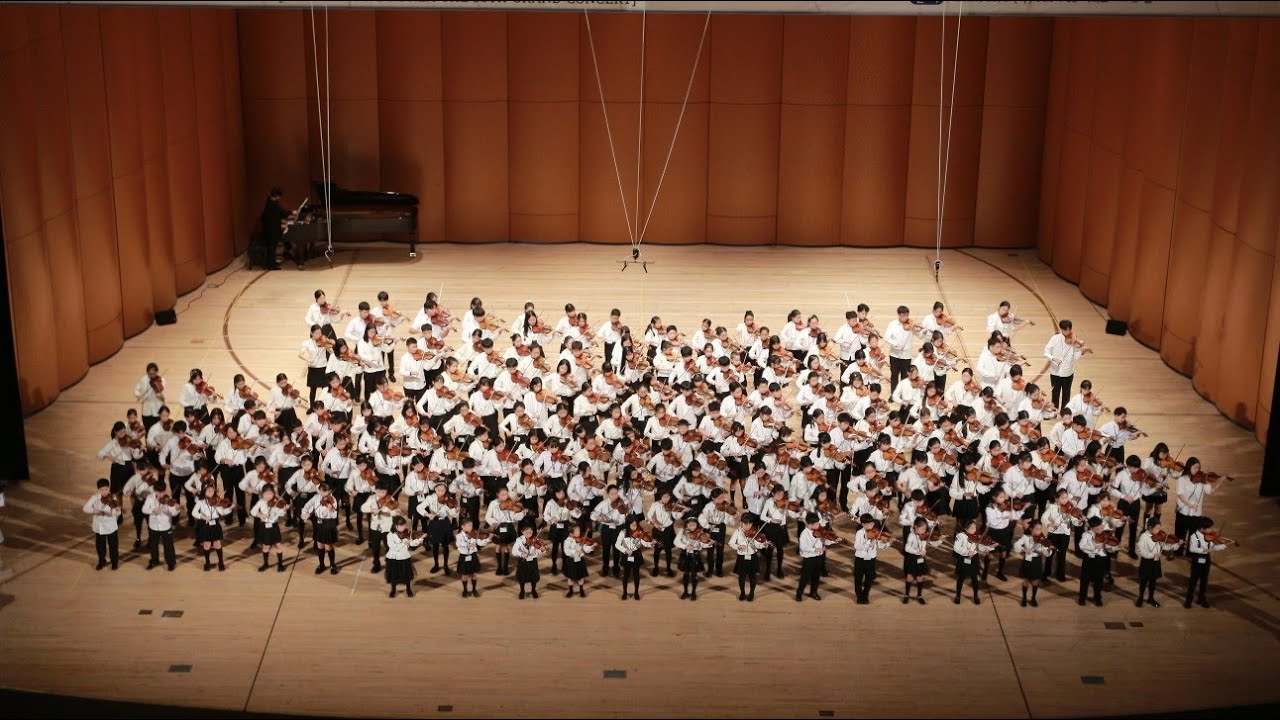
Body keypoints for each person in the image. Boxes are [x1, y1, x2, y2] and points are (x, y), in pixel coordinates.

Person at [1185, 517, 1231, 609]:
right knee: (1193, 581)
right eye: (1209, 528)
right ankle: (1188, 600)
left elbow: (1213, 547)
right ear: (1202, 528)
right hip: (1197, 560)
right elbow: (1192, 549)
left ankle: (1201, 599)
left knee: (1204, 580)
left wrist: (1222, 546)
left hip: (1206, 560)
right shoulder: (1194, 537)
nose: (1211, 530)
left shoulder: (1210, 536)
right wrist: (1204, 550)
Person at [1135, 517, 1181, 607]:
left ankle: (1151, 598)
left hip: (1155, 562)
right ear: (1150, 528)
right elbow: (1140, 551)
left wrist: (1177, 545)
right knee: (1143, 582)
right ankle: (1140, 598)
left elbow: (1166, 546)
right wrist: (1152, 555)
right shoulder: (1144, 537)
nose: (1159, 531)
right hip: (1146, 562)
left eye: (1159, 528)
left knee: (1153, 582)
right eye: (1157, 528)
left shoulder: (1159, 536)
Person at [418, 483, 459, 575]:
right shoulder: (430, 498)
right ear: (435, 489)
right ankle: (436, 564)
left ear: (445, 490)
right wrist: (428, 514)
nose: (441, 492)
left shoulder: (447, 499)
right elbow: (419, 507)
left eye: (443, 491)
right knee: (435, 545)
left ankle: (445, 565)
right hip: (434, 523)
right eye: (438, 490)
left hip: (444, 523)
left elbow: (453, 514)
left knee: (445, 545)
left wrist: (456, 511)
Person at [300, 483, 341, 575]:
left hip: (328, 523)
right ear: (318, 491)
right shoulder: (316, 497)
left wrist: (331, 509)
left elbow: (334, 515)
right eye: (321, 491)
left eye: (325, 492)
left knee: (328, 546)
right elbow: (307, 506)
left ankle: (332, 565)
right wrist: (305, 514)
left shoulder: (332, 499)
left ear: (329, 491)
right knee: (320, 545)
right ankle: (322, 565)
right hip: (319, 523)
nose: (323, 494)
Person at [84, 479, 122, 571]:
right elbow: (85, 508)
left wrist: (116, 511)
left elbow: (118, 513)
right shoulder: (94, 498)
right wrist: (94, 510)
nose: (104, 492)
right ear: (98, 490)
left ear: (109, 488)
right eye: (102, 490)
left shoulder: (113, 498)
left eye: (106, 489)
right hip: (99, 527)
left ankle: (114, 562)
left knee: (113, 546)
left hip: (111, 526)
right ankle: (101, 561)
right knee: (100, 546)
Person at [729, 514, 770, 601]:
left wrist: (763, 545)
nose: (748, 526)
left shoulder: (754, 532)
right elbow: (731, 543)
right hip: (741, 557)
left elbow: (758, 545)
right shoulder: (737, 532)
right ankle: (742, 593)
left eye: (750, 524)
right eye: (745, 524)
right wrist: (738, 546)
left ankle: (752, 593)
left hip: (752, 556)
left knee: (752, 577)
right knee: (741, 577)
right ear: (741, 523)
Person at [1013, 520, 1053, 607]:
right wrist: (1023, 549)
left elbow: (1045, 553)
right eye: (1037, 529)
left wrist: (1048, 549)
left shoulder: (1042, 540)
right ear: (1031, 529)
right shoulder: (1025, 537)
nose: (1039, 531)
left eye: (1040, 529)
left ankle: (1033, 598)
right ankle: (1024, 598)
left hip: (1036, 561)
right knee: (1025, 580)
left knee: (1035, 581)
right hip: (1027, 561)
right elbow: (1016, 545)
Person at [142, 481, 181, 571]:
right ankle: (154, 561)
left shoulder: (169, 499)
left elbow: (174, 513)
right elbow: (144, 509)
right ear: (155, 490)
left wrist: (176, 508)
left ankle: (171, 563)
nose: (161, 494)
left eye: (163, 492)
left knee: (168, 546)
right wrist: (153, 510)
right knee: (153, 545)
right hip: (153, 526)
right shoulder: (150, 498)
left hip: (165, 526)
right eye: (158, 492)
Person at [250, 485, 289, 572]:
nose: (268, 496)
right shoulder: (261, 502)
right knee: (265, 546)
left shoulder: (277, 502)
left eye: (270, 494)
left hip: (274, 526)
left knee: (278, 545)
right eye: (266, 494)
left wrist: (284, 510)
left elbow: (280, 514)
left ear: (273, 493)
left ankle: (280, 564)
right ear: (262, 494)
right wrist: (260, 514)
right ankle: (265, 564)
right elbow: (252, 511)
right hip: (264, 526)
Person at [194, 483, 232, 571]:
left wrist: (229, 509)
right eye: (208, 491)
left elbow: (222, 512)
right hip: (205, 525)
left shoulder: (216, 501)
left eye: (212, 490)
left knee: (217, 543)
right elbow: (194, 512)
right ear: (204, 492)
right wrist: (202, 517)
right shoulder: (200, 502)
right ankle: (207, 562)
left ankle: (221, 562)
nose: (211, 492)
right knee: (206, 544)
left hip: (215, 524)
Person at [614, 517, 654, 600]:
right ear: (628, 524)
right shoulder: (623, 532)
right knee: (626, 575)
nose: (634, 527)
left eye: (635, 525)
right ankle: (625, 592)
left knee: (636, 575)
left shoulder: (639, 532)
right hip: (627, 555)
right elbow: (617, 545)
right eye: (632, 525)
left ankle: (636, 592)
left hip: (636, 554)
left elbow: (644, 543)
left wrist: (651, 543)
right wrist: (625, 550)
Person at [952, 518, 989, 605]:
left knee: (975, 578)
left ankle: (976, 596)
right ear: (965, 528)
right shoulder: (960, 536)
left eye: (975, 528)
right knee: (961, 577)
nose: (974, 530)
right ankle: (958, 595)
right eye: (971, 528)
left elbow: (981, 547)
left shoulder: (977, 536)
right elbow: (956, 548)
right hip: (964, 558)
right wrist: (967, 552)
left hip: (974, 558)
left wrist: (987, 546)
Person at [385, 517, 425, 598]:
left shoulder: (406, 534)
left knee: (406, 575)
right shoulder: (390, 535)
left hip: (404, 557)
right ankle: (393, 589)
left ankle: (408, 589)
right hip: (394, 558)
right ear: (395, 526)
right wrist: (404, 543)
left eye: (404, 525)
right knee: (394, 575)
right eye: (401, 526)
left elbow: (412, 543)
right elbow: (393, 547)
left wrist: (420, 539)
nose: (403, 527)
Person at [455, 517, 491, 598]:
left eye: (471, 525)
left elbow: (480, 543)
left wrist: (488, 539)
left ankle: (474, 589)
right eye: (469, 526)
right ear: (462, 526)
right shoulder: (459, 536)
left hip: (473, 555)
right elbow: (459, 544)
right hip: (464, 556)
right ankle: (465, 590)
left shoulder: (474, 534)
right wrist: (469, 544)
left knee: (474, 574)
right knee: (464, 575)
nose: (471, 527)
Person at [674, 517, 708, 601]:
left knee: (694, 575)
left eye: (694, 525)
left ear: (697, 525)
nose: (692, 527)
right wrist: (685, 546)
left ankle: (693, 592)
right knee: (685, 574)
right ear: (686, 525)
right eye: (690, 525)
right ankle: (685, 592)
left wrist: (708, 543)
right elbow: (676, 542)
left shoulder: (700, 533)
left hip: (695, 556)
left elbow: (702, 545)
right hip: (685, 555)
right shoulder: (682, 531)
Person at [1077, 517, 1108, 607]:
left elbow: (1110, 548)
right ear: (1091, 528)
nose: (1100, 531)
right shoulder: (1086, 535)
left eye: (1101, 528)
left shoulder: (1105, 535)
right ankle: (1082, 598)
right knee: (1085, 579)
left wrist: (1110, 546)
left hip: (1100, 560)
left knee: (1099, 580)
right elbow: (1081, 546)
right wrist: (1094, 547)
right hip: (1089, 560)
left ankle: (1097, 598)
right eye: (1097, 529)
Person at [512, 526, 547, 599]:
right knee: (522, 577)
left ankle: (533, 590)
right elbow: (514, 551)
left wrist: (542, 550)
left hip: (532, 561)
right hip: (523, 561)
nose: (529, 535)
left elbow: (538, 552)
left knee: (533, 577)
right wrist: (521, 553)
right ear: (522, 532)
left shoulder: (536, 540)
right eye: (527, 533)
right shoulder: (519, 540)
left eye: (530, 533)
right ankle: (522, 591)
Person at [259, 186, 290, 269]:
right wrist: (291, 213)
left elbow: (276, 215)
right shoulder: (273, 204)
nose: (280, 198)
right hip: (271, 229)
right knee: (272, 247)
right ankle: (271, 265)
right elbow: (282, 213)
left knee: (273, 246)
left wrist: (281, 221)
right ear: (276, 195)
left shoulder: (269, 202)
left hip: (270, 228)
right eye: (279, 196)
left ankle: (272, 262)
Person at [561, 523, 595, 598]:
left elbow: (585, 549)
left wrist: (591, 547)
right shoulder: (567, 541)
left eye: (579, 530)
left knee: (581, 577)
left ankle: (581, 590)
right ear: (571, 533)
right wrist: (575, 552)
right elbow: (566, 551)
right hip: (571, 560)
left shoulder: (581, 539)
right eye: (577, 531)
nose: (579, 532)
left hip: (580, 560)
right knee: (570, 577)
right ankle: (571, 590)